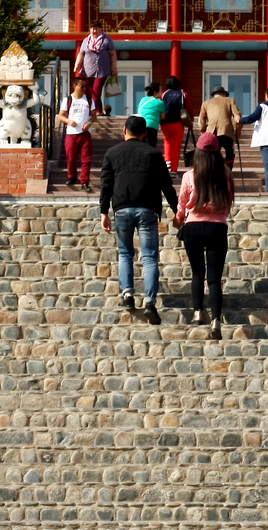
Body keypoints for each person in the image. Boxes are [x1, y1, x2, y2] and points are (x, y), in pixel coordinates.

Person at [99, 115, 178, 324]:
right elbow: (166, 184)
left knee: (125, 253)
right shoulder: (153, 153)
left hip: (122, 208)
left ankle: (127, 295)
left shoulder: (112, 153)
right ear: (144, 133)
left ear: (124, 130)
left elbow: (106, 183)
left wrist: (103, 211)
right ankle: (150, 301)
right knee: (150, 256)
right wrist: (177, 208)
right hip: (148, 209)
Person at [175, 133, 234, 339]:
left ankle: (198, 312)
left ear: (198, 153)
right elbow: (227, 205)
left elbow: (182, 203)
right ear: (218, 153)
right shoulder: (226, 176)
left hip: (193, 227)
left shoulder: (189, 175)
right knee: (215, 279)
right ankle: (216, 321)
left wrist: (178, 218)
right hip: (217, 227)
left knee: (197, 272)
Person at [58, 76, 94, 190]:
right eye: (81, 86)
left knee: (86, 159)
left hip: (85, 133)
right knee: (71, 158)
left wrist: (89, 123)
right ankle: (72, 177)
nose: (84, 88)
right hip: (71, 133)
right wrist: (69, 121)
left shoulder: (88, 100)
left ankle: (85, 182)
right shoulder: (68, 100)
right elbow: (60, 115)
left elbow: (94, 116)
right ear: (74, 86)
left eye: (85, 86)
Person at [197, 85, 241, 172]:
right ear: (224, 94)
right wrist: (237, 134)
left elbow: (201, 119)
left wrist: (203, 131)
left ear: (214, 94)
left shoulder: (206, 103)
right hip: (227, 131)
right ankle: (228, 170)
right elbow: (238, 117)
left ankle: (214, 170)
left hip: (211, 132)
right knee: (230, 153)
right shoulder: (230, 100)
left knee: (213, 153)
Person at [76, 22, 116, 116]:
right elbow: (81, 54)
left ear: (101, 29)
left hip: (102, 70)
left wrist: (114, 67)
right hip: (88, 70)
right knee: (90, 91)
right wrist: (77, 65)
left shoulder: (106, 40)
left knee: (96, 91)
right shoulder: (86, 40)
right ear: (90, 29)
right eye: (93, 29)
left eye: (97, 29)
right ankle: (96, 111)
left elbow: (113, 54)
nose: (95, 31)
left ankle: (97, 111)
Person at [159, 75, 189, 174]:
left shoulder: (164, 94)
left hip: (165, 123)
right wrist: (190, 121)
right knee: (176, 147)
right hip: (178, 122)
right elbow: (189, 107)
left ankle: (167, 162)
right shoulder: (183, 93)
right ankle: (174, 171)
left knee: (167, 141)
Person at [137, 81, 165, 149]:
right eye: (161, 90)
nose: (162, 91)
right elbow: (163, 117)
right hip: (151, 126)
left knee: (141, 148)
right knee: (150, 147)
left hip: (140, 125)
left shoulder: (142, 99)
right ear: (155, 92)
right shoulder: (160, 102)